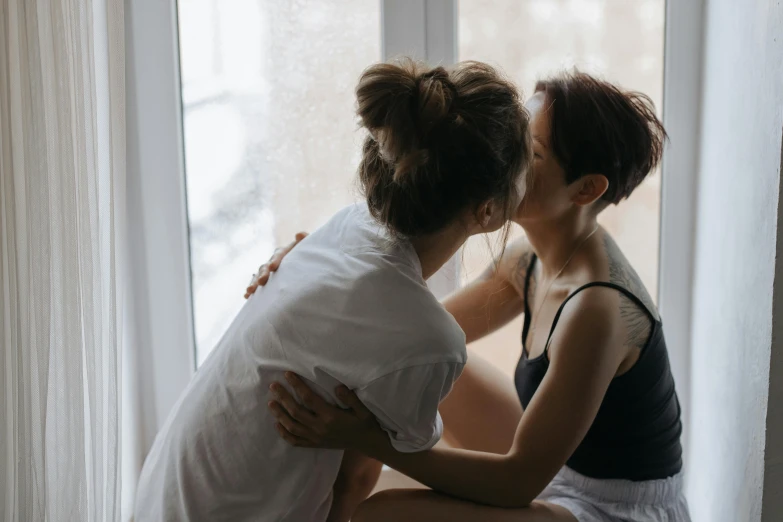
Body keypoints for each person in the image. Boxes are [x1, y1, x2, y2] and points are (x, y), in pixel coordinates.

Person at [256, 72, 691, 522]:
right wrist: (319, 257)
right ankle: (334, 504)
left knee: (382, 516)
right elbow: (396, 334)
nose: (509, 156)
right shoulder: (527, 263)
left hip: (611, 508)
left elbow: (517, 481)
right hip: (556, 465)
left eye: (533, 153)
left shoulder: (595, 309)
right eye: (519, 136)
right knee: (412, 358)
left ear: (586, 189)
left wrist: (367, 438)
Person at [133, 58, 531, 522]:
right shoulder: (427, 340)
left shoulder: (347, 225)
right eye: (530, 163)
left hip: (165, 497)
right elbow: (354, 486)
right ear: (487, 212)